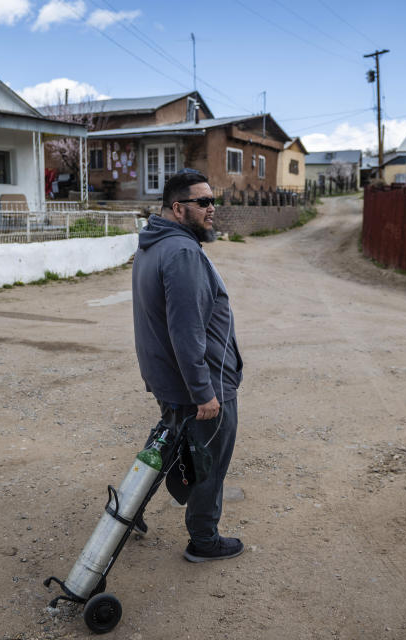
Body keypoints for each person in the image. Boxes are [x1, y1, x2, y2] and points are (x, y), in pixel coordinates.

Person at [131, 169, 245, 562]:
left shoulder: (154, 243)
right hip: (201, 384)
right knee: (207, 463)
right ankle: (204, 540)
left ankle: (129, 511)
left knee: (165, 447)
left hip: (170, 379)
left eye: (213, 201)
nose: (212, 209)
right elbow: (187, 331)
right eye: (203, 202)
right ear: (179, 208)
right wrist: (204, 392)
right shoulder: (181, 252)